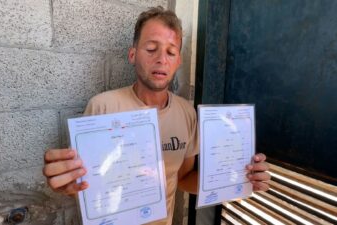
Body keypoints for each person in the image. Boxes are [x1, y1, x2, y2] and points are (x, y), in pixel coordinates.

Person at [43, 6, 270, 225]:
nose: (162, 59)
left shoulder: (186, 113)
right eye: (151, 49)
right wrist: (69, 186)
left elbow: (184, 178)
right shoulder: (103, 107)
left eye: (171, 51)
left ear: (178, 61)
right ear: (132, 55)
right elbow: (86, 189)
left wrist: (239, 177)